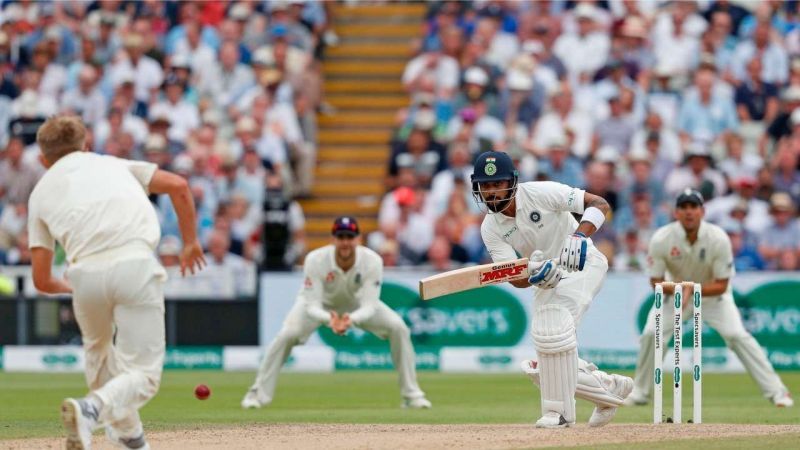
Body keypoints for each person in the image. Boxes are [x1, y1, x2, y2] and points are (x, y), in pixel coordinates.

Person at [27, 116, 206, 450]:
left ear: (43, 159)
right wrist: (191, 242)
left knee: (99, 356)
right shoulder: (113, 164)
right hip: (134, 265)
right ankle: (91, 408)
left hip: (83, 274)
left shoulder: (38, 194)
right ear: (86, 143)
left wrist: (72, 288)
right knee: (144, 375)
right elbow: (179, 187)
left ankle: (130, 439)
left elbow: (41, 279)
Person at [471, 151, 632, 428]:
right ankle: (607, 388)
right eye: (485, 186)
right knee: (543, 364)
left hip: (583, 264)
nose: (492, 192)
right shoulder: (490, 228)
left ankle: (560, 415)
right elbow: (515, 277)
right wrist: (533, 274)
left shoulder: (540, 193)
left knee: (554, 332)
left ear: (512, 182)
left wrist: (579, 235)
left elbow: (600, 203)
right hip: (546, 279)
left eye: (497, 184)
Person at [625, 189, 793, 408]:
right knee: (650, 334)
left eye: (693, 207)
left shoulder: (718, 238)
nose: (688, 212)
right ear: (676, 213)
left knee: (737, 335)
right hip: (675, 295)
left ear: (702, 211)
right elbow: (655, 281)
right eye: (683, 207)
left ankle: (777, 392)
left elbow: (722, 284)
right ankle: (640, 392)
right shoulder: (662, 238)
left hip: (712, 296)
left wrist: (692, 290)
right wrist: (679, 290)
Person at [242, 216, 431, 409]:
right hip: (320, 306)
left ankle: (412, 394)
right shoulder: (315, 260)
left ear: (358, 239)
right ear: (333, 239)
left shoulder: (372, 261)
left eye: (350, 237)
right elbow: (311, 304)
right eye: (341, 237)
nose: (345, 242)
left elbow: (370, 305)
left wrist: (350, 319)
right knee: (287, 335)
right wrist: (329, 319)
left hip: (356, 306)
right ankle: (257, 394)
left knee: (398, 327)